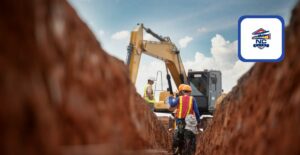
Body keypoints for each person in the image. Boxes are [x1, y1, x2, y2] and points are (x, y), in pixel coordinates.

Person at [168, 84, 200, 154]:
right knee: (191, 137)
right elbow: (196, 111)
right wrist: (198, 120)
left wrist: (170, 98)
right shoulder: (192, 99)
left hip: (180, 121)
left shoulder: (179, 98)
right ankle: (190, 150)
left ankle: (177, 149)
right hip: (189, 122)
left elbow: (172, 104)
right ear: (190, 92)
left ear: (182, 92)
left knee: (179, 135)